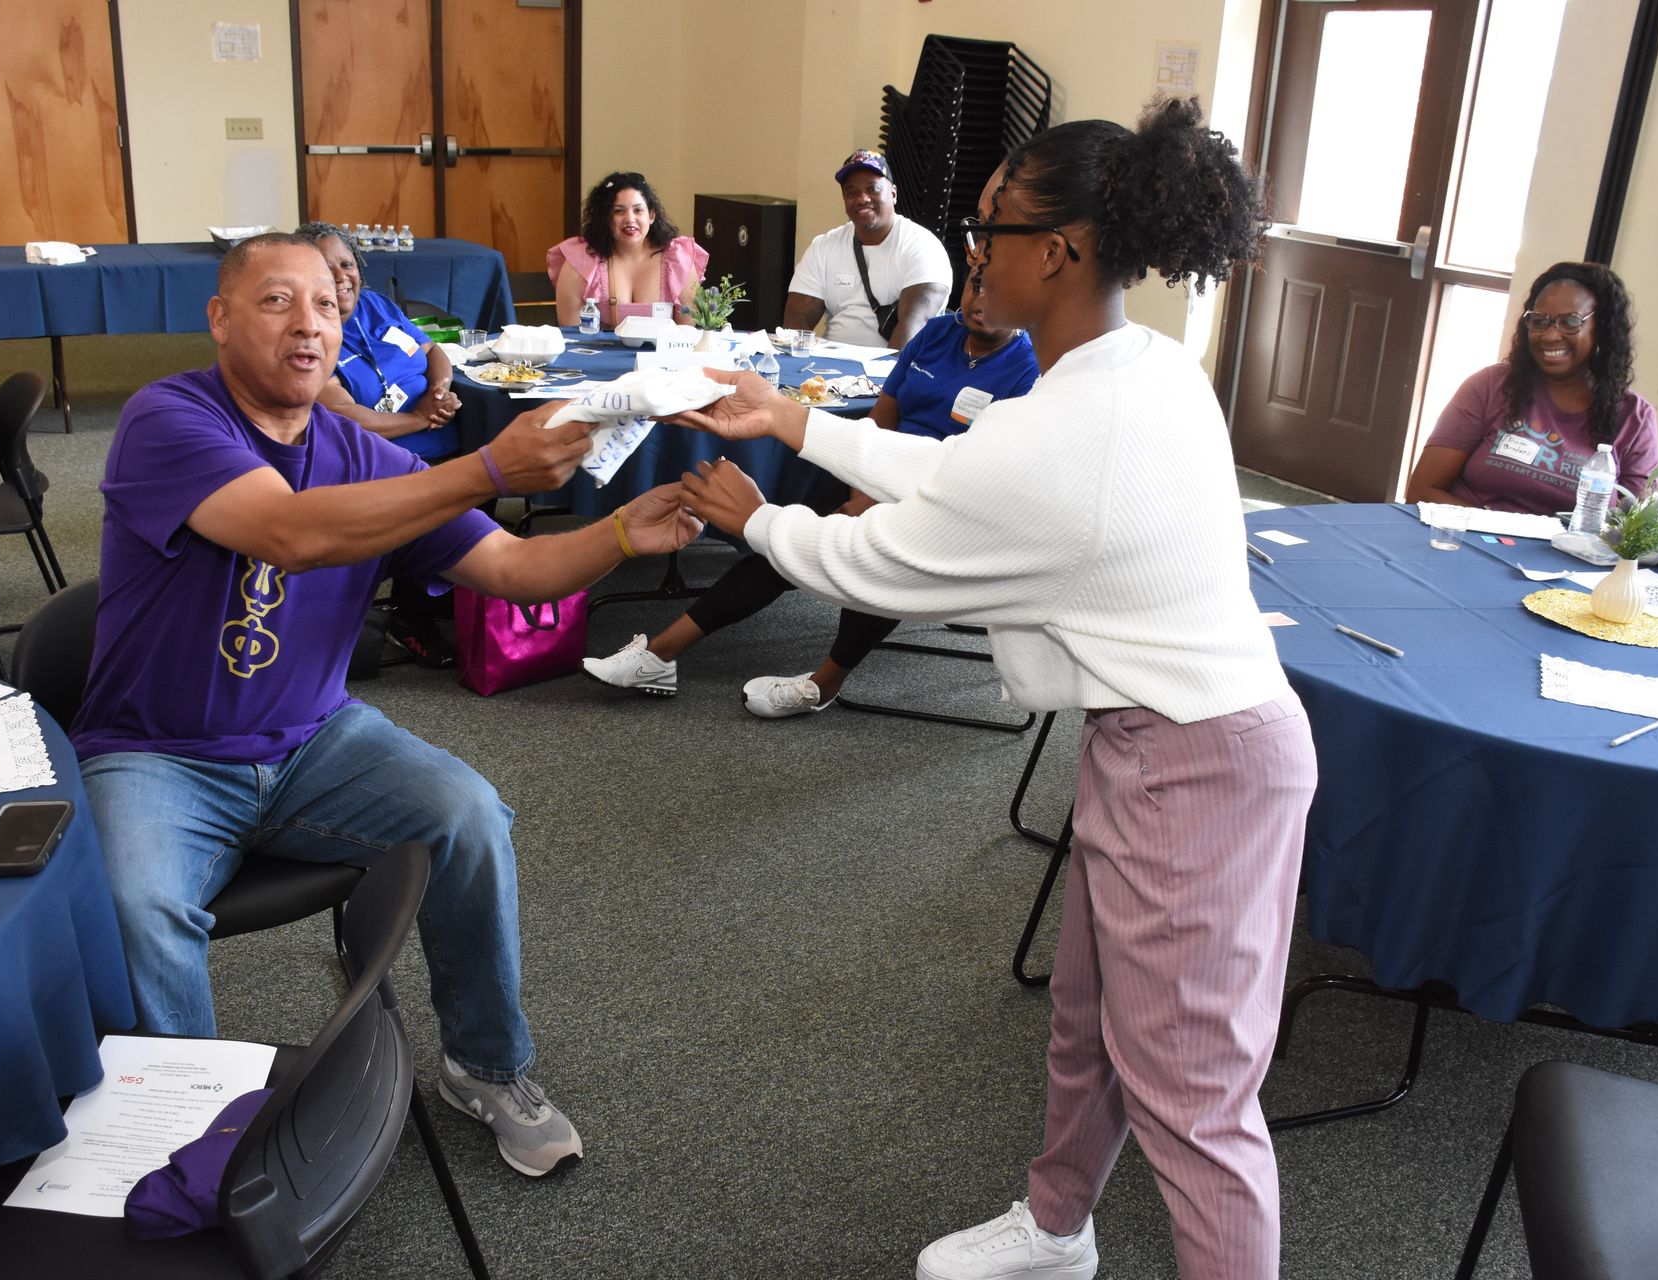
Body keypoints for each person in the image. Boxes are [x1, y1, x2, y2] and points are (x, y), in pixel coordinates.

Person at [672, 99, 1316, 1280]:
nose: (977, 252)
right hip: (1167, 745)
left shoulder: (1075, 424)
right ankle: (1058, 1228)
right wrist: (795, 419)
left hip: (1199, 765)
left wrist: (757, 514)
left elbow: (880, 561)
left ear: (1060, 248)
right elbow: (967, 473)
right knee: (1087, 1020)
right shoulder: (1139, 370)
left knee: (1197, 1106)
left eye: (991, 227)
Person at [71, 232, 703, 1179]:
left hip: (313, 742)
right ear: (220, 318)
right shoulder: (169, 417)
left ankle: (486, 1067)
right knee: (136, 903)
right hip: (159, 752)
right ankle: (190, 1130)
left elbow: (514, 566)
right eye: (277, 301)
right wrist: (487, 468)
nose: (309, 324)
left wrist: (618, 532)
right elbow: (288, 532)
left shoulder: (363, 457)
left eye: (326, 304)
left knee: (469, 815)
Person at [582, 270, 1038, 716]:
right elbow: (880, 420)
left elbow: (979, 474)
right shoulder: (938, 333)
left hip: (945, 500)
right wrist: (865, 485)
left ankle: (824, 684)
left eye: (995, 288)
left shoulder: (1028, 370)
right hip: (874, 465)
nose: (980, 299)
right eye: (976, 283)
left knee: (876, 554)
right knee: (776, 538)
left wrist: (881, 498)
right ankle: (661, 655)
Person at [298, 219, 463, 667]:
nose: (340, 277)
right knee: (431, 503)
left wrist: (440, 389)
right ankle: (411, 621)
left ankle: (446, 592)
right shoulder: (312, 330)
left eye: (346, 264)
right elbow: (345, 415)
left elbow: (432, 351)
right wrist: (417, 418)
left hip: (439, 433)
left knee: (483, 481)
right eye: (325, 268)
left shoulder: (375, 305)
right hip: (380, 455)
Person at [1406, 261, 1658, 514]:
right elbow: (1422, 492)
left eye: (1570, 322)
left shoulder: (1634, 417)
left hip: (1566, 553)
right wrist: (1503, 530)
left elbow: (1634, 527)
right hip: (1470, 543)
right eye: (1539, 321)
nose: (1550, 335)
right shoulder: (1489, 387)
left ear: (1602, 330)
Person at [783, 149, 952, 350]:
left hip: (889, 370)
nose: (862, 198)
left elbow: (914, 327)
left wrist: (879, 379)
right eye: (851, 192)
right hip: (828, 366)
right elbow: (796, 322)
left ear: (893, 193)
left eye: (872, 189)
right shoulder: (824, 246)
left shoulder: (923, 246)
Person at [548, 172, 709, 327]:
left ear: (651, 215)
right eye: (619, 211)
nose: (630, 219)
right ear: (605, 217)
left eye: (638, 210)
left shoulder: (679, 259)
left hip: (660, 355)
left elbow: (686, 336)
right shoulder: (580, 260)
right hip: (600, 355)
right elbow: (572, 338)